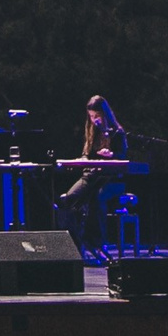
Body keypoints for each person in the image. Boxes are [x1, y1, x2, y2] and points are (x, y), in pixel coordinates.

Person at [54, 94, 130, 251]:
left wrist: (112, 155)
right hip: (91, 176)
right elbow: (87, 154)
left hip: (111, 179)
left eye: (97, 116)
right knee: (68, 199)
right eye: (92, 116)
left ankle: (97, 243)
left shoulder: (117, 132)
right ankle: (75, 243)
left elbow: (122, 156)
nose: (95, 120)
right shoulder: (91, 131)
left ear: (105, 114)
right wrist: (82, 159)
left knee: (96, 198)